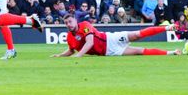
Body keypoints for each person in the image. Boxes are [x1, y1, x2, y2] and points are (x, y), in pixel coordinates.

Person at [51, 15, 180, 57]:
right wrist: (60, 56)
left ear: (75, 20)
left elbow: (89, 42)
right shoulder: (69, 36)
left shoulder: (84, 24)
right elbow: (71, 49)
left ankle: (167, 27)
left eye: (70, 21)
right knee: (138, 51)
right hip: (109, 52)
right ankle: (172, 52)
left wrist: (79, 56)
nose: (68, 24)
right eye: (66, 23)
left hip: (110, 39)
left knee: (137, 34)